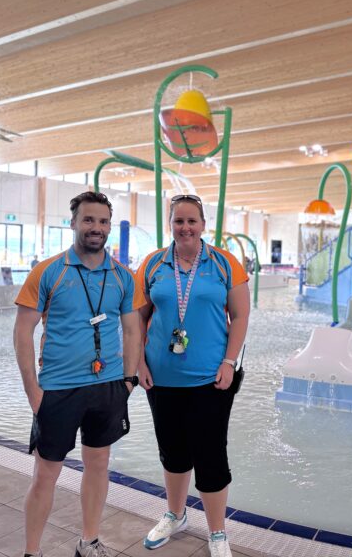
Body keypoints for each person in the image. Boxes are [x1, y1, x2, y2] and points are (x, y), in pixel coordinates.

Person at [13, 191, 145, 557]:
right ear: (73, 223)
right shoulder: (49, 272)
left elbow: (132, 331)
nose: (96, 227)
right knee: (46, 474)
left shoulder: (122, 277)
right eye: (88, 220)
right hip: (58, 389)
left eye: (103, 221)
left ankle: (89, 541)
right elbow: (22, 333)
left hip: (108, 387)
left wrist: (128, 381)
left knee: (98, 465)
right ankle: (32, 551)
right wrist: (33, 393)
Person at [136, 194, 250, 557]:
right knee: (172, 451)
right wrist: (138, 363)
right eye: (178, 221)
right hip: (161, 378)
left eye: (191, 221)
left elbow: (241, 316)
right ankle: (176, 514)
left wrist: (229, 362)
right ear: (170, 224)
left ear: (203, 224)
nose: (185, 227)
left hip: (210, 380)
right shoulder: (153, 264)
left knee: (210, 456)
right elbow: (137, 317)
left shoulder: (224, 263)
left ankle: (217, 532)